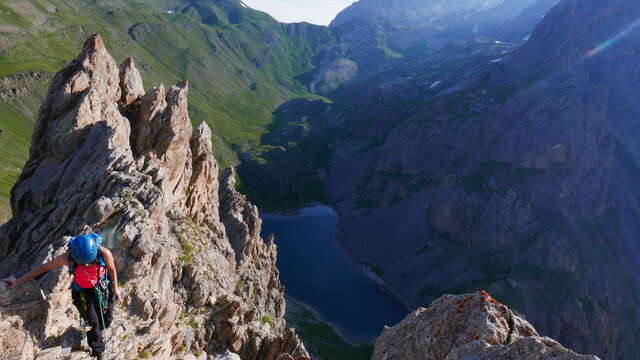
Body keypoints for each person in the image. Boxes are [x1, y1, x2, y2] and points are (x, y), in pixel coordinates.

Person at [2, 233, 121, 360]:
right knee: (92, 322)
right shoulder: (67, 258)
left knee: (107, 319)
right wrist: (17, 281)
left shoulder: (104, 253)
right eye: (83, 263)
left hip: (101, 288)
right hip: (82, 293)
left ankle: (98, 331)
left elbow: (112, 270)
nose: (86, 265)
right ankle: (98, 351)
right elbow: (43, 268)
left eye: (89, 262)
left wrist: (116, 288)